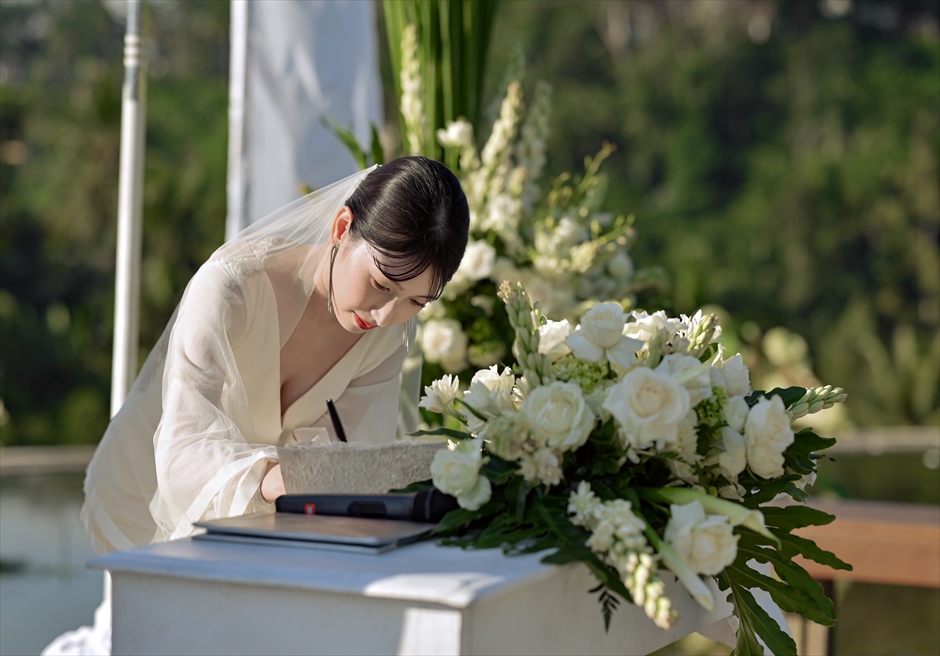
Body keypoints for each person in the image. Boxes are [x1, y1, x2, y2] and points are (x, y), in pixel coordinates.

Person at [42, 156, 469, 655]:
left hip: (265, 523)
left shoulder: (387, 333)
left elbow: (356, 457)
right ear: (342, 226)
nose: (386, 314)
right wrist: (280, 476)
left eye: (417, 302)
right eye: (380, 284)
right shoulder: (230, 286)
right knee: (134, 638)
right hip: (152, 490)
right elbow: (181, 452)